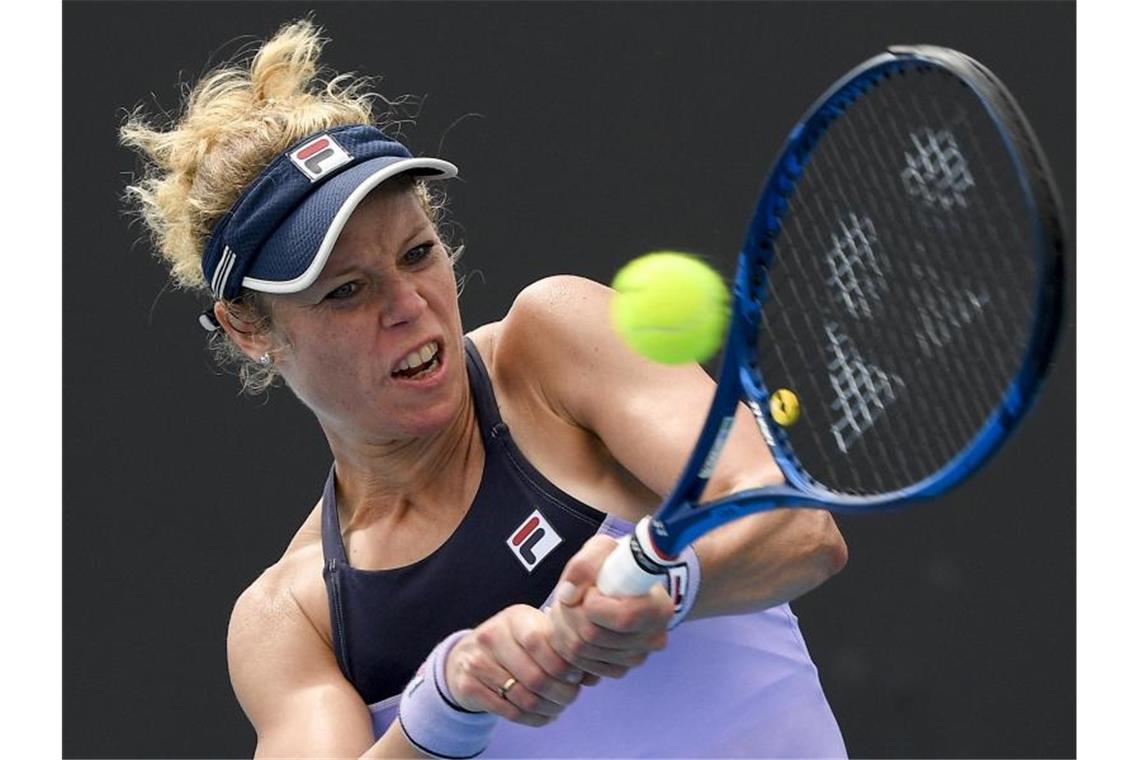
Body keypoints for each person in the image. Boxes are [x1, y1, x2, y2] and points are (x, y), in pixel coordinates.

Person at [121, 19, 850, 759]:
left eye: (417, 253)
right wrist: (446, 706)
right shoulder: (296, 618)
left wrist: (669, 583)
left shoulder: (553, 344)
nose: (408, 303)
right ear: (249, 330)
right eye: (346, 290)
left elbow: (801, 531)